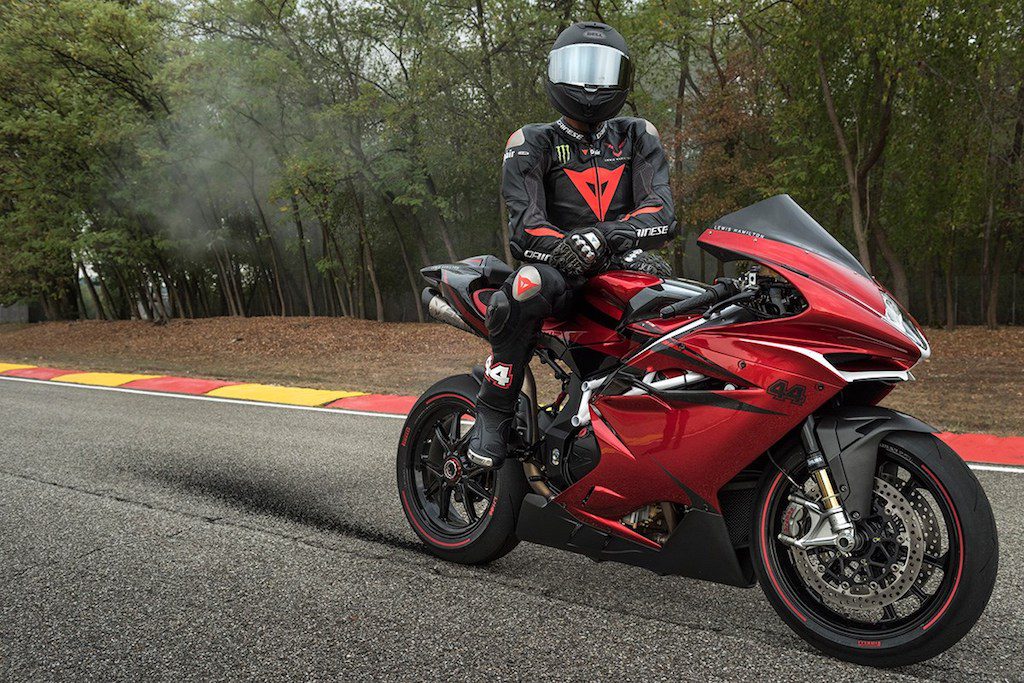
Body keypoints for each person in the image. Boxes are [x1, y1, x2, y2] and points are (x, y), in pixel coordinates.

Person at [467, 21, 677, 469]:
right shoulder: (530, 141)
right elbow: (526, 228)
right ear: (552, 73)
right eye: (577, 67)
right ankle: (494, 408)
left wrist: (599, 239)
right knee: (526, 286)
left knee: (681, 302)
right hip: (556, 271)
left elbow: (662, 213)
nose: (588, 81)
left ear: (622, 77)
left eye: (601, 69)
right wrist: (574, 248)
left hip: (622, 263)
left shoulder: (640, 135)